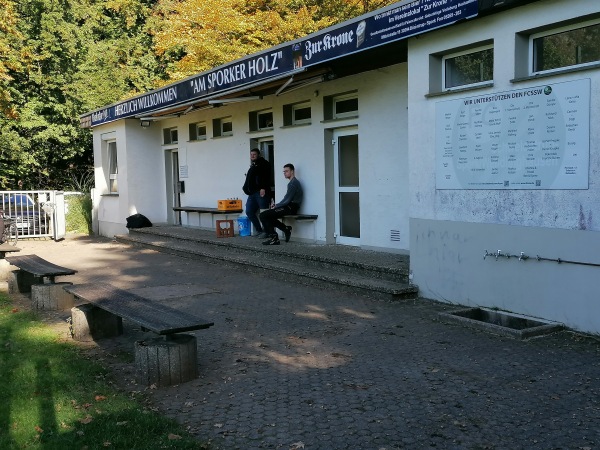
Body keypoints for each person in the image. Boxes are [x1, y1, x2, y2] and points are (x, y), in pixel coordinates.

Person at [259, 163, 303, 245]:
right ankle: (285, 229)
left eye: (286, 171)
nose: (285, 173)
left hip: (291, 208)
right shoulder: (292, 183)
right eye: (284, 172)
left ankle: (274, 238)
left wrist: (276, 205)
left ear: (292, 171)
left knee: (263, 215)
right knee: (268, 215)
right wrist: (277, 206)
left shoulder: (293, 183)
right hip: (289, 207)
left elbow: (287, 200)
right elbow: (287, 199)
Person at [242, 148, 271, 237]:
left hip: (261, 192)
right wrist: (245, 189)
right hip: (252, 194)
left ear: (258, 155)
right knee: (249, 211)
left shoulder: (264, 164)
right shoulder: (253, 166)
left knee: (264, 213)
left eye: (254, 154)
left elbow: (267, 177)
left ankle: (267, 232)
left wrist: (263, 187)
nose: (252, 156)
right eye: (251, 154)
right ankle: (259, 230)